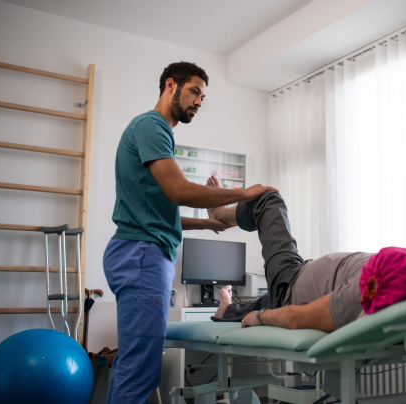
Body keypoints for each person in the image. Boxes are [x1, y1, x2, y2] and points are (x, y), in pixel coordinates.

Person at [103, 62, 277, 404]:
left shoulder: (152, 131)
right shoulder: (152, 126)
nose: (199, 101)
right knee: (140, 369)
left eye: (203, 96)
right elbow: (179, 191)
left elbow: (154, 211)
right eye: (194, 91)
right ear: (171, 86)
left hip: (138, 250)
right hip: (142, 255)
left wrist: (207, 223)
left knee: (134, 365)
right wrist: (242, 194)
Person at [206, 175, 406, 332]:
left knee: (268, 199)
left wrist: (263, 318)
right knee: (264, 298)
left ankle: (220, 211)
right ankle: (227, 309)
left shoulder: (390, 280)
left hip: (292, 285)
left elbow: (303, 316)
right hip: (302, 281)